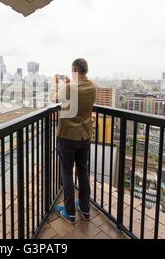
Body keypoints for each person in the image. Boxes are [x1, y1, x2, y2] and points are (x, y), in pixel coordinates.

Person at [51, 58, 97, 224]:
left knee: (67, 173)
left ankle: (70, 212)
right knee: (83, 171)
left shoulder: (69, 88)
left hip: (68, 137)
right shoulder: (93, 86)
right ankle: (85, 209)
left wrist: (56, 83)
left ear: (74, 70)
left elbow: (54, 99)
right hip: (85, 136)